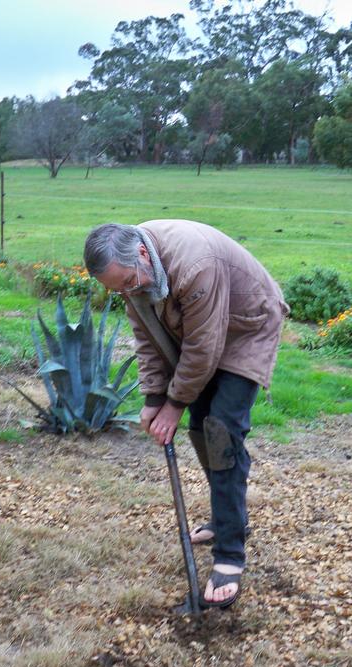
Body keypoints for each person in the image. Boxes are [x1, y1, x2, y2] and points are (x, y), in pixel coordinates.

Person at [84, 219, 288, 609]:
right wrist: (153, 396)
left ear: (143, 254)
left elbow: (204, 348)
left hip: (247, 326)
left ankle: (230, 554)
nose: (127, 292)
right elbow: (147, 338)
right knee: (201, 431)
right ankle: (231, 517)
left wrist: (174, 405)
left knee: (221, 432)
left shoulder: (196, 264)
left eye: (128, 283)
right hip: (203, 330)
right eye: (117, 289)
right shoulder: (133, 273)